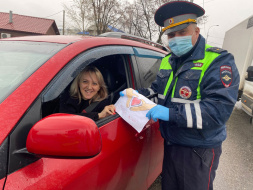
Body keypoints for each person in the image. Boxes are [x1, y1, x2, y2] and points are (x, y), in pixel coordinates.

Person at [121, 1, 239, 190]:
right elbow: (157, 91)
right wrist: (135, 95)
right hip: (171, 143)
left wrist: (170, 114)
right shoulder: (167, 60)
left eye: (182, 32)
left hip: (198, 149)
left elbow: (219, 110)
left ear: (196, 31)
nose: (175, 39)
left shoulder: (218, 61)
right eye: (171, 35)